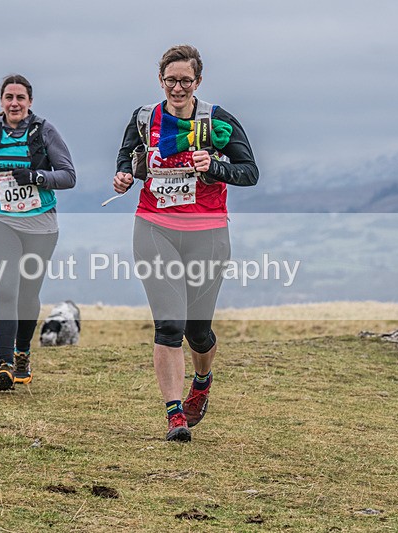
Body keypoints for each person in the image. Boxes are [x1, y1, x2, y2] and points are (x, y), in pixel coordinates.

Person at [113, 45, 258, 442]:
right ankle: (174, 414)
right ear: (160, 80)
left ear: (199, 81)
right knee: (169, 324)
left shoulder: (217, 120)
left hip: (208, 233)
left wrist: (214, 167)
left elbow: (250, 172)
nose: (178, 88)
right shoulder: (144, 118)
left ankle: (203, 379)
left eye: (186, 81)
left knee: (197, 329)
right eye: (171, 80)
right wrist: (123, 177)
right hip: (154, 226)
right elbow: (127, 160)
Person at [0, 74, 76, 390]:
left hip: (40, 224)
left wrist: (37, 177)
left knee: (27, 293)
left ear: (29, 102)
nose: (14, 103)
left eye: (20, 98)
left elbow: (68, 176)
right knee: (6, 288)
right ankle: (4, 364)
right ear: (1, 101)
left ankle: (22, 350)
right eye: (9, 97)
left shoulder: (45, 132)